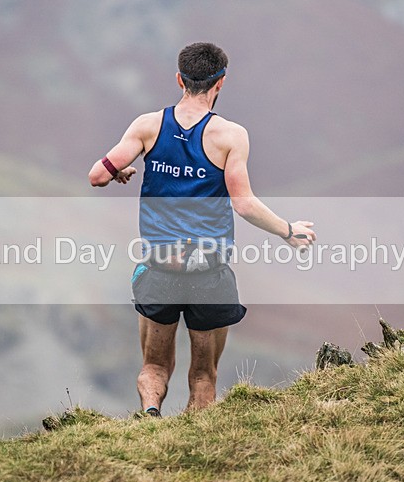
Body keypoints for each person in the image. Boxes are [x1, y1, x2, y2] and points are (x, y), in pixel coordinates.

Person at [88, 42, 315, 416]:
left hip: (160, 267)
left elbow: (97, 175)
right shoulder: (230, 136)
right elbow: (243, 204)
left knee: (154, 367)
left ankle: (149, 417)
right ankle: (194, 438)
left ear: (179, 79)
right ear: (220, 83)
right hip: (208, 271)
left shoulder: (148, 126)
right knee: (204, 375)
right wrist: (288, 231)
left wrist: (120, 171)